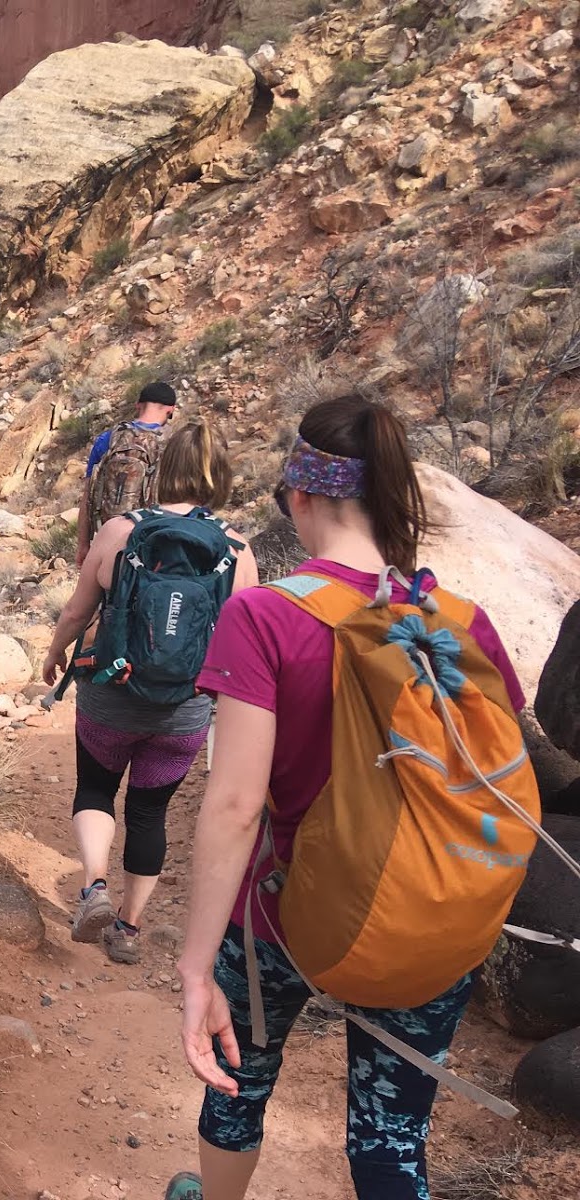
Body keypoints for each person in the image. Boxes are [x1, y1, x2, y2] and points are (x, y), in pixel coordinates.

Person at [169, 395, 527, 1200]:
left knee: (238, 1087)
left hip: (281, 914)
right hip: (428, 908)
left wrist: (194, 968)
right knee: (391, 1138)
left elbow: (233, 807)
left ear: (301, 493)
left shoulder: (264, 616)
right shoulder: (463, 621)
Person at [44, 420, 258, 965]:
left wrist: (55, 652)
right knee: (149, 811)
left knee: (95, 788)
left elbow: (78, 609)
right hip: (183, 710)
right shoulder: (237, 551)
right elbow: (243, 647)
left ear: (164, 471)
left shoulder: (120, 531)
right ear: (220, 476)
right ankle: (129, 930)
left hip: (110, 694)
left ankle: (94, 885)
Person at [76, 379, 179, 566]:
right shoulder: (173, 443)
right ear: (170, 410)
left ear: (138, 405)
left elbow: (88, 496)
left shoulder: (107, 439)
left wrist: (83, 544)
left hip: (108, 537)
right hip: (152, 542)